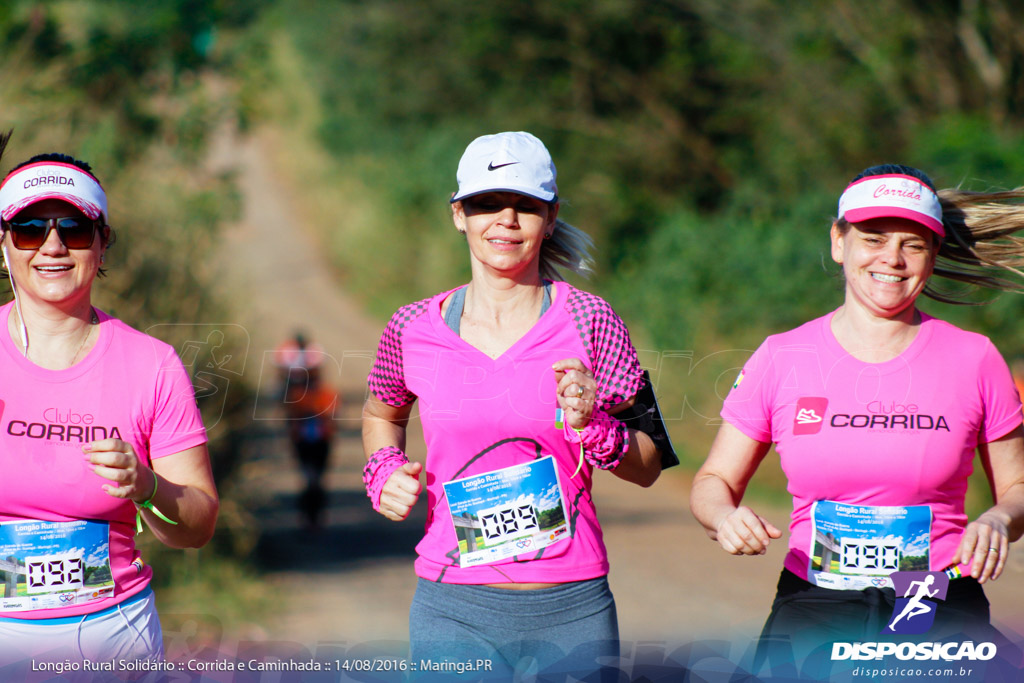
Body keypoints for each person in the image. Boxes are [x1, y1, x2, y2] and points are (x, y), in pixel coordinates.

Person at [690, 164, 1024, 672]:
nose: (892, 258)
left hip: (934, 597)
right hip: (817, 600)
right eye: (872, 238)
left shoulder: (974, 357)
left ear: (932, 256)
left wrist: (999, 518)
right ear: (838, 242)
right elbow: (713, 479)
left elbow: (1018, 484)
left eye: (913, 244)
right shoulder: (783, 356)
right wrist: (724, 516)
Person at [362, 131, 666, 677]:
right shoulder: (411, 328)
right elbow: (382, 413)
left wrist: (595, 427)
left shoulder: (592, 321)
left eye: (525, 206)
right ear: (459, 214)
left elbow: (648, 466)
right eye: (487, 204)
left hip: (570, 609)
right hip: (452, 607)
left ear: (549, 219)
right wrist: (383, 467)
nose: (505, 220)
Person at [0, 143, 219, 666]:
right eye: (30, 228)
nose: (52, 246)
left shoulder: (153, 365)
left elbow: (199, 524)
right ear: (3, 243)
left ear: (102, 245)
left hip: (110, 638)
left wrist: (147, 486)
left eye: (73, 229)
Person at [274, 331, 337, 530]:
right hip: (306, 440)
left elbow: (333, 416)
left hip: (318, 440)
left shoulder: (325, 392)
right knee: (312, 479)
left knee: (315, 479)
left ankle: (314, 515)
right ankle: (309, 516)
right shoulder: (299, 394)